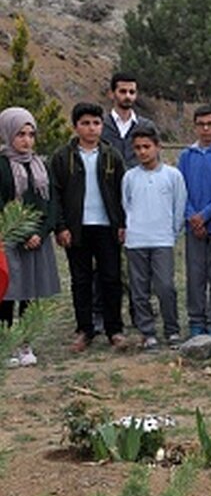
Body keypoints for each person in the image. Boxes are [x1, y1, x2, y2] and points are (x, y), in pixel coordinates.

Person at [50, 102, 127, 352]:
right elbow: (55, 195)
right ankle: (84, 330)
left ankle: (114, 329)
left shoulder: (112, 155)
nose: (91, 128)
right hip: (77, 228)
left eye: (96, 123)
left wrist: (122, 223)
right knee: (80, 280)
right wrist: (60, 227)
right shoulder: (63, 157)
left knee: (111, 278)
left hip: (107, 227)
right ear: (76, 127)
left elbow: (123, 192)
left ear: (102, 126)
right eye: (85, 123)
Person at [0, 107, 60, 367]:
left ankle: (26, 343)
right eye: (20, 134)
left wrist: (40, 232)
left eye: (31, 134)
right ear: (7, 134)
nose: (26, 140)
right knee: (7, 292)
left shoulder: (40, 165)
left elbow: (51, 203)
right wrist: (22, 233)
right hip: (9, 239)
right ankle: (5, 344)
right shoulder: (2, 165)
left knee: (30, 291)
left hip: (37, 240)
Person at [121, 122, 186, 349]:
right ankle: (147, 331)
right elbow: (126, 206)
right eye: (137, 148)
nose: (142, 152)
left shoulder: (173, 175)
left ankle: (172, 329)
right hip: (136, 241)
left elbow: (179, 207)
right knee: (139, 290)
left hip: (162, 240)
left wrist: (172, 233)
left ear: (158, 147)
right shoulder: (130, 177)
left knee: (165, 287)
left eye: (146, 146)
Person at [177, 105, 211, 339]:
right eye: (201, 124)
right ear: (195, 127)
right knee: (195, 276)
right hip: (193, 227)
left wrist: (206, 215)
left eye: (210, 124)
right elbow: (181, 190)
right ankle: (196, 321)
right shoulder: (186, 156)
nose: (206, 129)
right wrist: (192, 216)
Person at [100, 72, 151, 168]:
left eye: (132, 92)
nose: (128, 96)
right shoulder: (100, 126)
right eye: (123, 91)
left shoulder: (146, 126)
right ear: (111, 94)